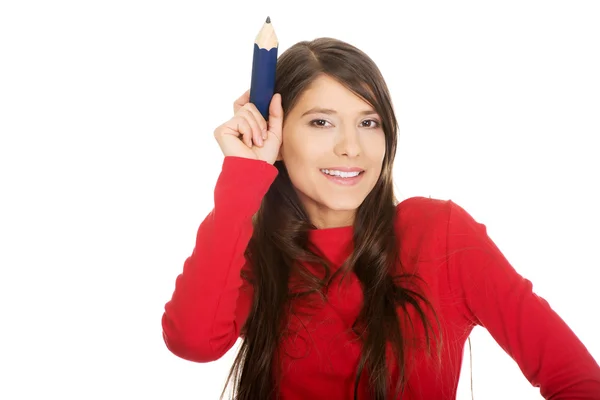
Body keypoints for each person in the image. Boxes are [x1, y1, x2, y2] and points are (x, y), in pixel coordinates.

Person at [161, 37, 600, 400]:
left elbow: (578, 382)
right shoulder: (254, 254)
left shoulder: (438, 234)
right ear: (274, 135)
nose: (352, 147)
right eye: (321, 122)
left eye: (369, 123)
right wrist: (243, 174)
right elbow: (192, 343)